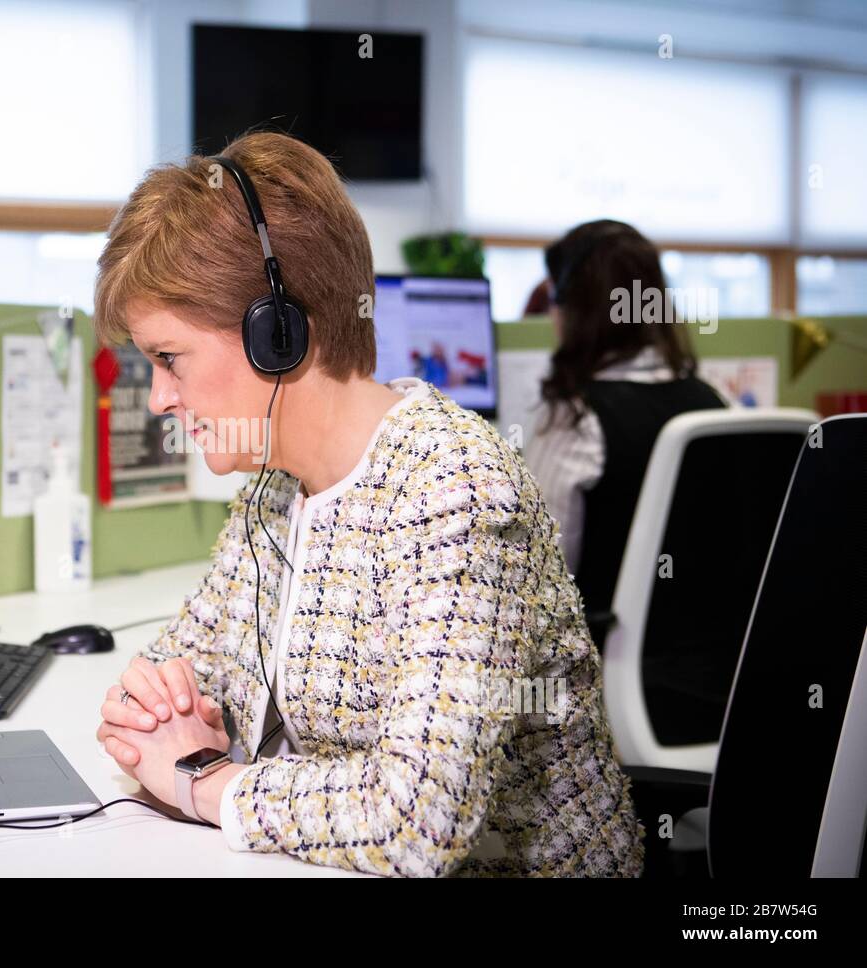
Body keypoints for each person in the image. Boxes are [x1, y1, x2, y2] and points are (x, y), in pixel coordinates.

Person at [91, 132, 645, 877]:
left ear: (276, 333)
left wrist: (207, 783)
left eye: (168, 358)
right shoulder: (275, 489)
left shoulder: (455, 489)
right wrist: (154, 703)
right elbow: (170, 674)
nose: (158, 397)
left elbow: (421, 820)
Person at [526, 220, 727, 649]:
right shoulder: (713, 403)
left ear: (573, 309)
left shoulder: (576, 418)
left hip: (607, 674)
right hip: (714, 667)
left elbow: (541, 579)